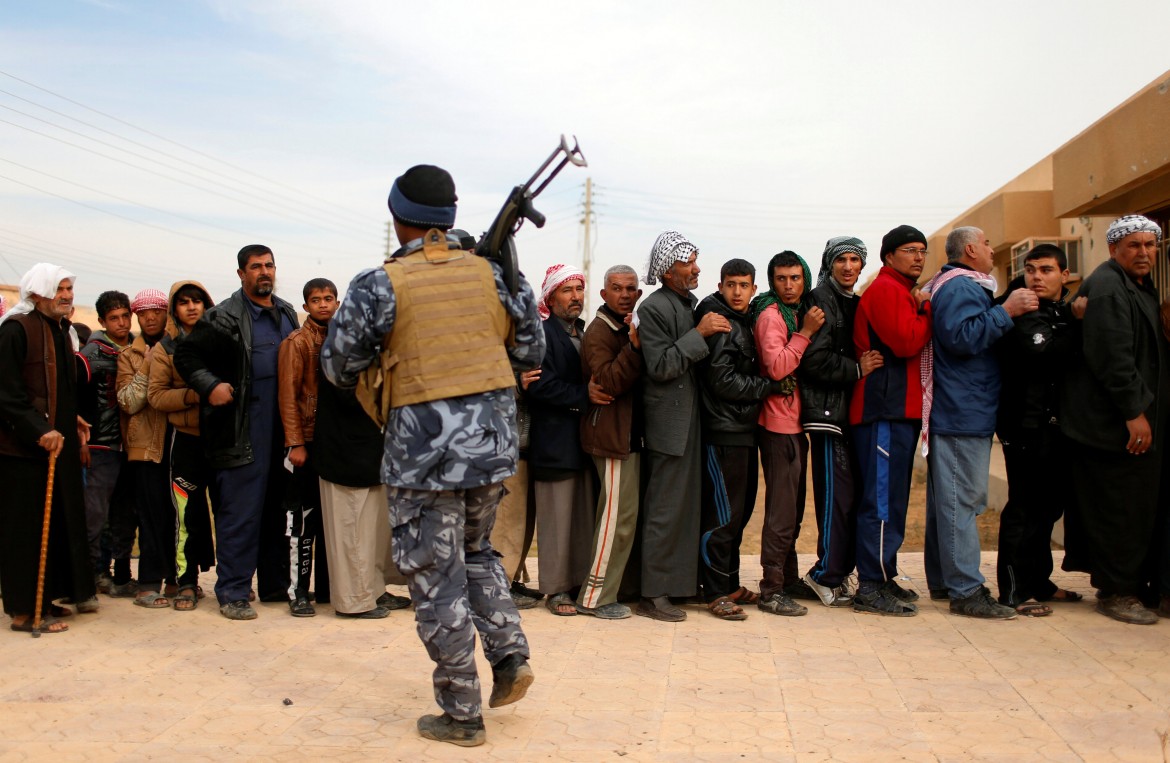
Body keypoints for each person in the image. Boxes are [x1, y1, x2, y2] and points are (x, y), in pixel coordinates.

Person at [321, 165, 544, 746]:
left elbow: (337, 366)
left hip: (422, 456)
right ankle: (510, 654)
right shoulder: (496, 274)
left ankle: (462, 713)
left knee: (434, 576)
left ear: (397, 217)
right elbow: (531, 348)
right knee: (476, 551)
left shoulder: (378, 284)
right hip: (490, 447)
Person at [175, 245, 299, 620]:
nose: (264, 272)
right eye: (256, 267)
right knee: (240, 511)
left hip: (283, 426)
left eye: (269, 265)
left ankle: (275, 585)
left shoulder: (286, 313)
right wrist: (209, 384)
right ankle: (233, 591)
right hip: (243, 427)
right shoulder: (223, 317)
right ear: (241, 273)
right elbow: (186, 357)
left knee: (278, 510)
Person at [920, 227, 1037, 620]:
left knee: (948, 503)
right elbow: (962, 338)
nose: (991, 250)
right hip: (960, 412)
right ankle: (966, 589)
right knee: (961, 503)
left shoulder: (960, 285)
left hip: (963, 409)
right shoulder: (960, 288)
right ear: (970, 249)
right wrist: (1006, 312)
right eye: (987, 244)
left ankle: (944, 580)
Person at [1061, 215, 1168, 625]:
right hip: (1114, 427)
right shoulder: (1108, 286)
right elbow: (1112, 357)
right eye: (1134, 246)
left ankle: (1135, 585)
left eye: (1149, 245)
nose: (1143, 252)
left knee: (1138, 508)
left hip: (1133, 423)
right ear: (1113, 249)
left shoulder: (1136, 285)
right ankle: (1116, 592)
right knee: (1119, 510)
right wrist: (1133, 413)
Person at [636, 231, 729, 622]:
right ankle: (653, 593)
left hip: (690, 423)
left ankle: (678, 587)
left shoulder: (684, 303)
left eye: (695, 260)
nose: (696, 269)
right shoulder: (654, 307)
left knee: (685, 509)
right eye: (689, 262)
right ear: (668, 269)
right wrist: (700, 333)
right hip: (668, 425)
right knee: (664, 510)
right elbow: (659, 367)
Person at [0, 264, 97, 632]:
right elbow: (7, 395)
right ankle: (24, 612)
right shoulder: (15, 330)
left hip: (57, 446)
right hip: (21, 450)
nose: (67, 296)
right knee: (25, 530)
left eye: (70, 289)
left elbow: (56, 387)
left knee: (57, 524)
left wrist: (69, 418)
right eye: (60, 289)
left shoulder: (60, 329)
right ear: (38, 292)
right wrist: (40, 429)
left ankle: (46, 599)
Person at [994, 245, 1084, 615]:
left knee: (1048, 510)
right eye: (1030, 269)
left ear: (1065, 275)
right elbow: (1043, 353)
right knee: (1023, 509)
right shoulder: (1022, 308)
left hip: (1057, 427)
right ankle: (1014, 591)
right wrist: (1078, 323)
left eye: (1046, 270)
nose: (1036, 277)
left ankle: (1039, 582)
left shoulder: (1062, 309)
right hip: (1024, 426)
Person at [849, 225, 933, 616]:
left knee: (894, 499)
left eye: (922, 251)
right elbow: (905, 341)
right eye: (909, 251)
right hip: (882, 410)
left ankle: (883, 575)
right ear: (889, 257)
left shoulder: (900, 291)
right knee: (881, 499)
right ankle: (869, 585)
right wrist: (928, 308)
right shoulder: (886, 290)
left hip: (899, 411)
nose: (918, 257)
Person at [798, 237, 883, 608]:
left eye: (854, 260)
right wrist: (856, 369)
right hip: (828, 416)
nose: (848, 267)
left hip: (851, 415)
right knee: (837, 498)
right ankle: (824, 575)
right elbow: (812, 361)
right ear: (829, 264)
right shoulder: (820, 299)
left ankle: (837, 571)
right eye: (841, 260)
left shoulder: (854, 302)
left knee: (851, 498)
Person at [695, 258, 779, 621]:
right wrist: (769, 386)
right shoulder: (720, 322)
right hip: (721, 432)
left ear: (753, 289)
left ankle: (729, 582)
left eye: (744, 285)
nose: (737, 292)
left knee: (739, 515)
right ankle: (713, 592)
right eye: (731, 285)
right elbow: (722, 381)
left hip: (742, 430)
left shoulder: (741, 321)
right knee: (722, 517)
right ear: (720, 285)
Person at [526, 265, 604, 617]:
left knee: (581, 519)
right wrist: (583, 395)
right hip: (554, 443)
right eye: (567, 290)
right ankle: (556, 590)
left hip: (583, 443)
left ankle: (576, 584)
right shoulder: (541, 335)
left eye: (578, 289)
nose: (575, 297)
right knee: (557, 520)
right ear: (551, 296)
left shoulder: (584, 332)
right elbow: (539, 386)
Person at [751, 251, 824, 616]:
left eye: (795, 278)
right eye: (781, 279)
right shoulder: (771, 316)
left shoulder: (793, 312)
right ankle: (771, 589)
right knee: (781, 512)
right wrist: (806, 333)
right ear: (772, 281)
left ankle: (789, 579)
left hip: (795, 424)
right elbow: (778, 367)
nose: (789, 285)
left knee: (793, 511)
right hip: (778, 425)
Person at [578, 264, 644, 620]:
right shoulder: (600, 331)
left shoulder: (625, 327)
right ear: (604, 295)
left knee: (626, 519)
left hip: (628, 438)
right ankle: (594, 598)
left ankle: (614, 590)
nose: (623, 294)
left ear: (638, 293)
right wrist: (633, 348)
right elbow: (608, 383)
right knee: (614, 520)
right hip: (610, 438)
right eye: (616, 288)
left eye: (630, 288)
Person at [147, 280, 217, 611]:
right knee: (185, 515)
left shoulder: (223, 339)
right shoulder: (165, 348)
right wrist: (194, 394)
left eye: (197, 301)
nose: (191, 307)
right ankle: (187, 582)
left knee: (229, 511)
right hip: (185, 440)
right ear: (174, 309)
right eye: (183, 302)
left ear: (207, 305)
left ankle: (233, 583)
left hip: (222, 440)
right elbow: (156, 395)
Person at [277, 278, 338, 617]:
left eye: (329, 299)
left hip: (331, 445)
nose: (323, 305)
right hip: (305, 443)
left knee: (331, 520)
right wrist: (295, 442)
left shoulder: (341, 339)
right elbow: (287, 396)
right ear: (305, 306)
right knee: (302, 522)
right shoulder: (296, 342)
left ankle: (329, 590)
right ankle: (297, 592)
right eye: (316, 300)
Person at [117, 288, 175, 610]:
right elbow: (128, 402)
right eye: (144, 312)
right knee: (150, 515)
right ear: (137, 316)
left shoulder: (179, 347)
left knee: (179, 515)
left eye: (157, 310)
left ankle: (180, 579)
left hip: (180, 440)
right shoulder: (129, 355)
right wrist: (147, 366)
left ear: (166, 313)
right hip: (145, 446)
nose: (151, 317)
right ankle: (149, 582)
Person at [78, 290, 133, 592]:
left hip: (128, 447)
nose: (122, 323)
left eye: (125, 316)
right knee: (94, 516)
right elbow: (74, 401)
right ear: (102, 320)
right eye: (114, 318)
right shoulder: (90, 355)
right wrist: (81, 441)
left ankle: (115, 574)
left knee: (123, 515)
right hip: (99, 445)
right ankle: (89, 578)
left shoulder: (137, 350)